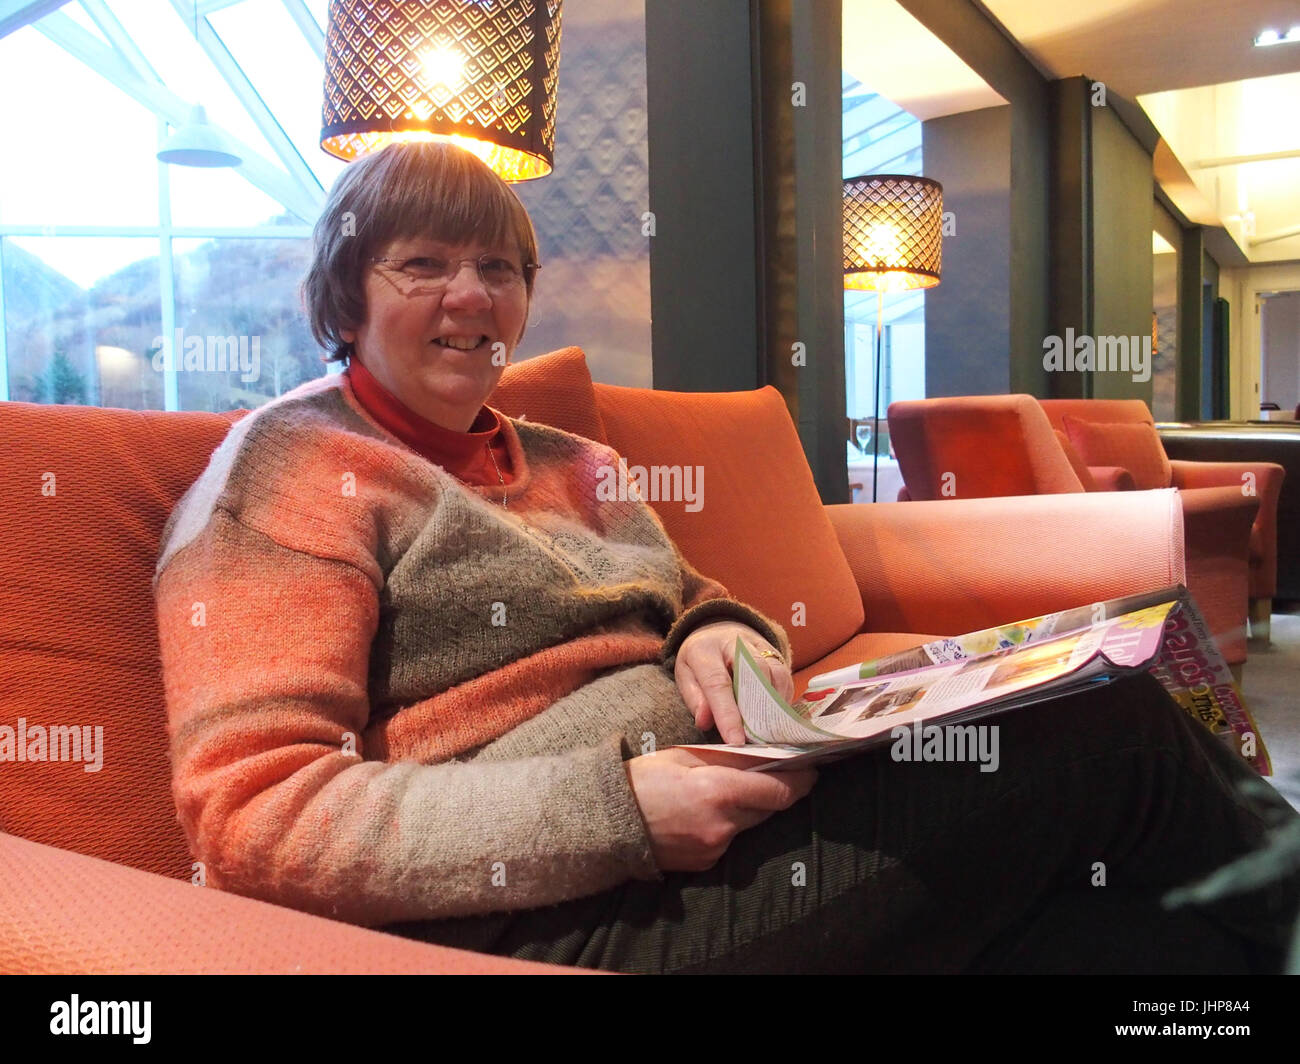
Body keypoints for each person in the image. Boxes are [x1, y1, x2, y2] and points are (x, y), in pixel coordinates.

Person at [153, 141, 1299, 974]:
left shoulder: (570, 458)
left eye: (498, 268)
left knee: (1124, 912)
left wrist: (716, 634)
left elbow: (697, 597)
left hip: (746, 809)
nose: (471, 297)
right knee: (1106, 729)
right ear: (345, 292)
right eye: (422, 264)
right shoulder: (288, 472)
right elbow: (257, 817)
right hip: (555, 904)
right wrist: (614, 810)